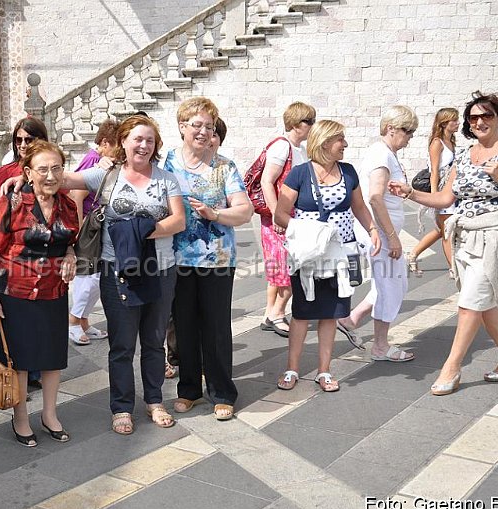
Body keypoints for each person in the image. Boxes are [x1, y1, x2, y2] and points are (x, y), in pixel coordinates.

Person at [1, 114, 185, 435]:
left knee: (154, 341)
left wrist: (138, 231)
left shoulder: (166, 178)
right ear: (123, 143)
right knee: (122, 343)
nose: (143, 145)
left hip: (160, 268)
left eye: (149, 140)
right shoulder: (107, 175)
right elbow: (61, 178)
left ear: (156, 145)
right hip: (117, 270)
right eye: (136, 139)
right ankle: (122, 407)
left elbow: (178, 221)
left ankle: (155, 401)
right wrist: (21, 177)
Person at [389, 91, 498, 395]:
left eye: (486, 115)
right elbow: (445, 198)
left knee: (470, 303)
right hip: (465, 236)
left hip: (496, 235)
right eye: (473, 118)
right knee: (482, 303)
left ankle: (452, 367)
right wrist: (409, 193)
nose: (479, 122)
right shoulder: (464, 156)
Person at [0, 140, 79, 446]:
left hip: (53, 291)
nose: (50, 176)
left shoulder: (67, 205)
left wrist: (72, 255)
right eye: (43, 169)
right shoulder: (12, 204)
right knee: (20, 360)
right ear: (28, 172)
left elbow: (70, 241)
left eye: (56, 168)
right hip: (15, 291)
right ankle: (20, 417)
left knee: (52, 356)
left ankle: (50, 415)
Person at [275, 120, 380, 392]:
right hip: (309, 255)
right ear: (324, 143)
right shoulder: (299, 173)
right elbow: (280, 214)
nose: (345, 144)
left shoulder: (348, 172)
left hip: (342, 253)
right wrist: (309, 231)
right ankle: (292, 369)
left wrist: (372, 230)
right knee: (301, 312)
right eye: (340, 139)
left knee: (331, 314)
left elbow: (359, 206)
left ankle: (324, 371)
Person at [163, 99, 253, 420]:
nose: (203, 132)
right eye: (196, 125)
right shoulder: (167, 163)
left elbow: (245, 210)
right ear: (182, 127)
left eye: (209, 127)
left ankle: (222, 391)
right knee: (184, 326)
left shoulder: (224, 167)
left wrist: (215, 213)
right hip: (178, 259)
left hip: (218, 259)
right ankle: (188, 389)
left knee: (215, 328)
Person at [336, 106, 419, 362]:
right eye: (407, 130)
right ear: (391, 128)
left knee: (391, 281)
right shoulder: (382, 154)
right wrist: (391, 237)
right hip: (380, 233)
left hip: (380, 230)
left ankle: (352, 319)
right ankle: (381, 346)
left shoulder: (384, 153)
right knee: (391, 285)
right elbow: (374, 197)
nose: (410, 137)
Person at [258, 102, 316, 337]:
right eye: (308, 122)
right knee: (290, 267)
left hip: (291, 216)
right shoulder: (282, 147)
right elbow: (266, 181)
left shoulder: (298, 147)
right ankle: (277, 314)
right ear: (294, 124)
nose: (312, 126)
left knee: (279, 267)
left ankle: (270, 313)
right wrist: (276, 215)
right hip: (281, 216)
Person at [68, 119, 118, 345]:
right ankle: (73, 321)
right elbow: (77, 195)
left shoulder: (103, 160)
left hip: (98, 227)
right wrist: (78, 230)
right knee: (88, 277)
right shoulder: (94, 160)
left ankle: (84, 321)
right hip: (90, 229)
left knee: (97, 277)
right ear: (105, 142)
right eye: (117, 144)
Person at [406, 108, 460, 277]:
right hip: (442, 192)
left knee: (441, 229)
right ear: (444, 123)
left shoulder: (451, 140)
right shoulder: (437, 143)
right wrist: (435, 198)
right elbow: (434, 172)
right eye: (454, 120)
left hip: (451, 191)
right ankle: (454, 269)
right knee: (446, 232)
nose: (458, 123)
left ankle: (413, 254)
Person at [0, 117, 49, 215]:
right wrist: (8, 197)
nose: (23, 145)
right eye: (18, 140)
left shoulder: (52, 168)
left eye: (28, 140)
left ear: (41, 140)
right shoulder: (7, 171)